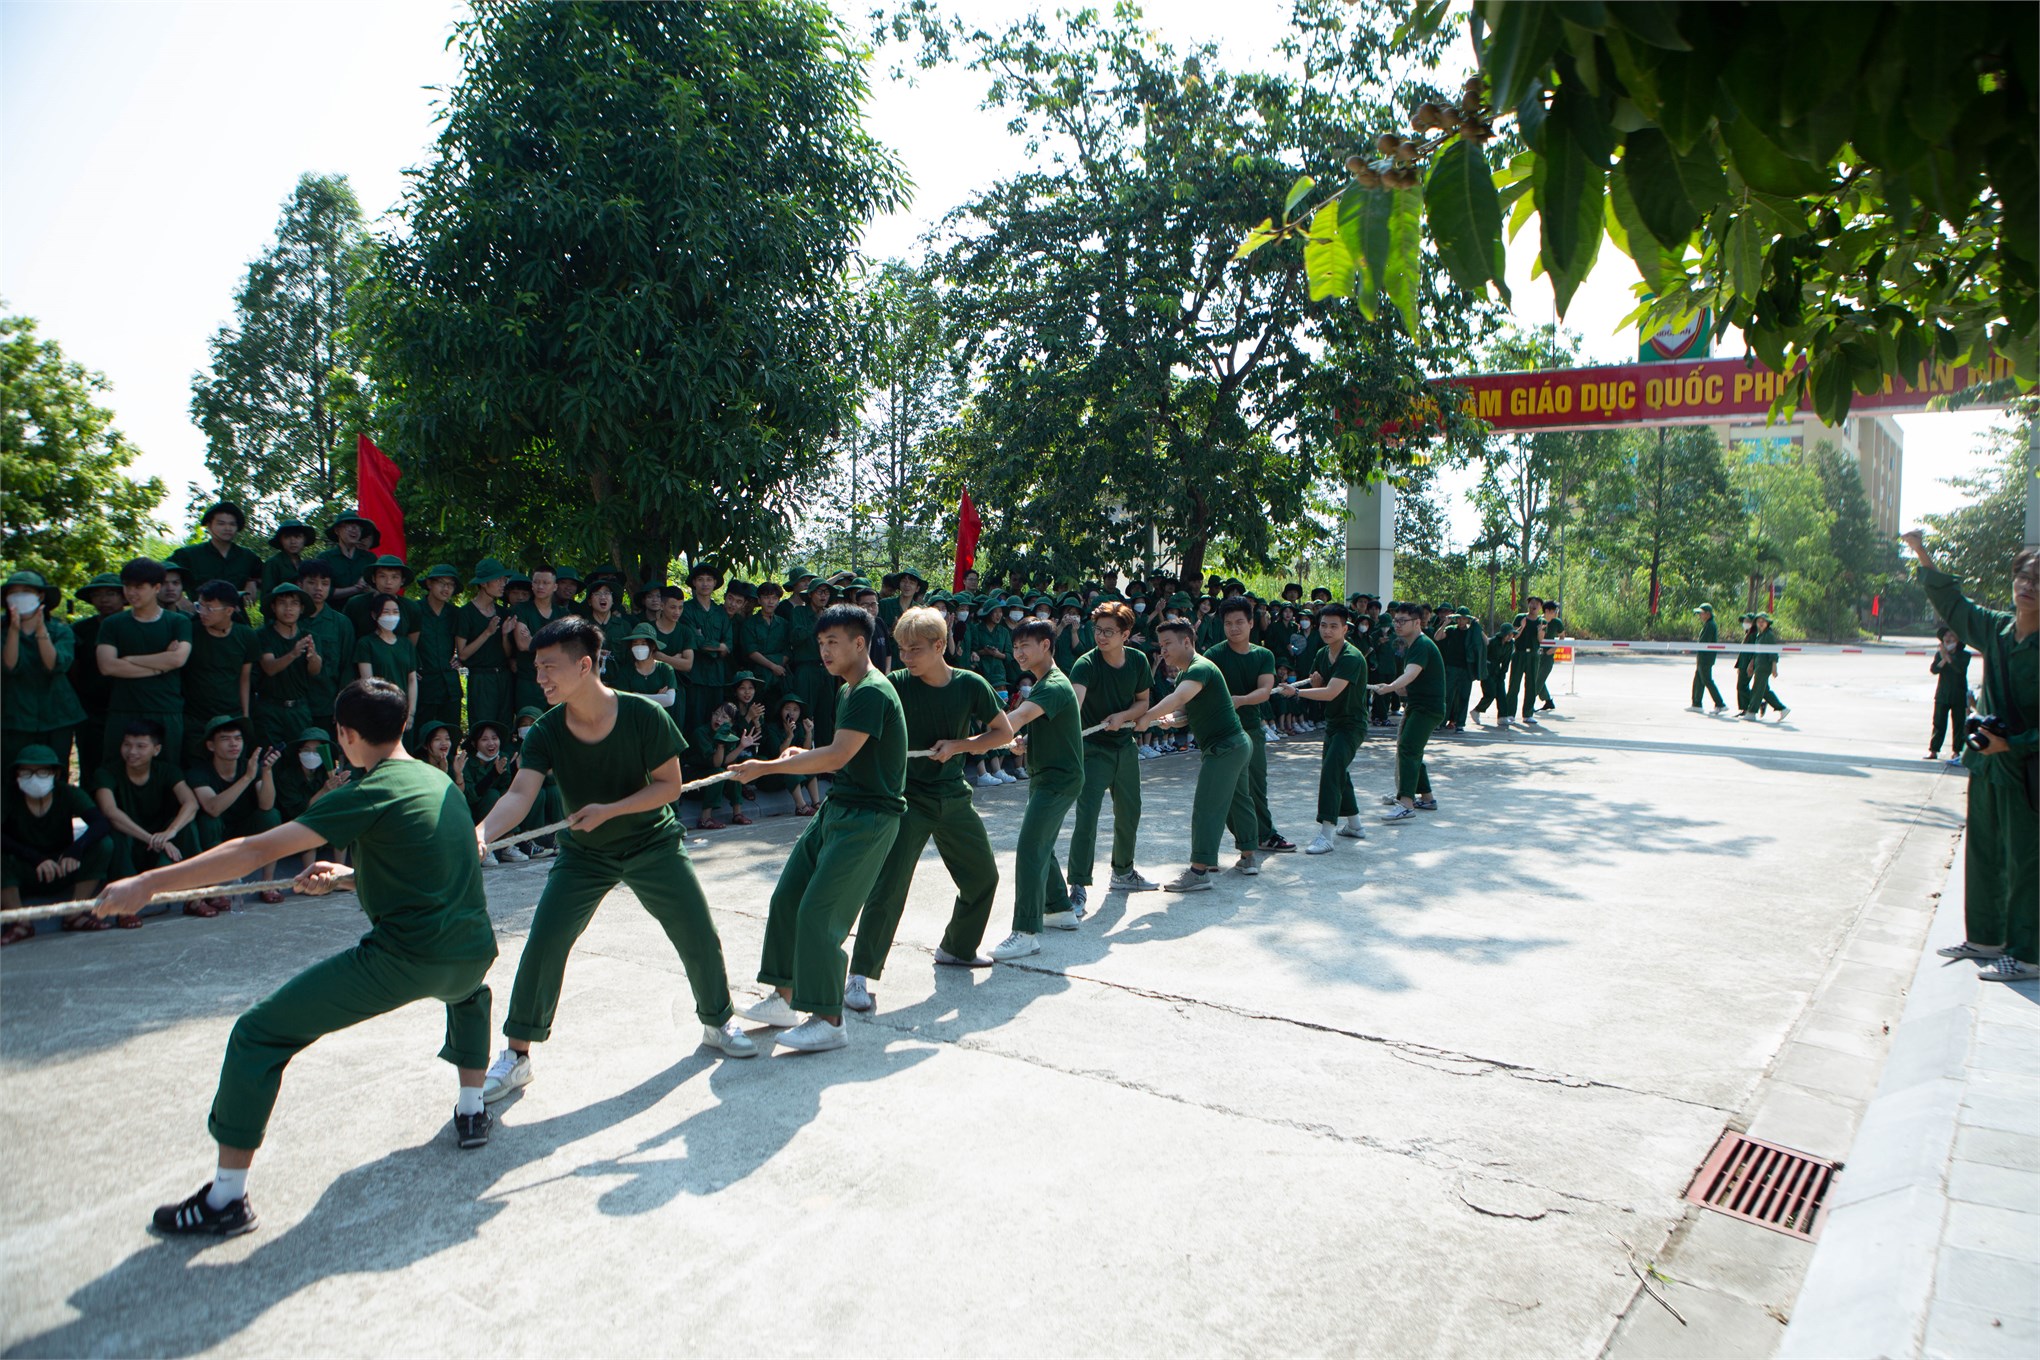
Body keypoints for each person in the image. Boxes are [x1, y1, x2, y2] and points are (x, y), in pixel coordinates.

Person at [92, 678, 501, 1237]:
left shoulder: (367, 790)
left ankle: (225, 1201)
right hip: (474, 952)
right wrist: (346, 877)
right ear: (404, 726)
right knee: (468, 994)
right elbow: (434, 868)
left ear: (345, 734)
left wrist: (149, 883)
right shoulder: (439, 783)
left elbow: (255, 849)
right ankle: (474, 1109)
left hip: (406, 958)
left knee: (259, 1034)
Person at [476, 616, 756, 1103]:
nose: (539, 677)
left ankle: (717, 1021)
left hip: (653, 843)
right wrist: (480, 833)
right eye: (536, 667)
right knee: (544, 944)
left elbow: (668, 787)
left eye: (548, 667)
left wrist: (612, 810)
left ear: (584, 665)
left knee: (696, 932)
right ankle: (517, 1055)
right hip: (585, 857)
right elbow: (520, 794)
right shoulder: (545, 731)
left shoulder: (644, 715)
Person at [722, 604, 905, 1052]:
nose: (824, 652)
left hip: (869, 817)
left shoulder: (870, 692)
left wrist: (767, 768)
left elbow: (837, 756)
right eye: (820, 644)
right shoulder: (848, 690)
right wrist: (797, 755)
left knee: (820, 914)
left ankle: (828, 1017)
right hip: (840, 806)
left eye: (833, 643)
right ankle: (785, 996)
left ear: (859, 644)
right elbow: (843, 749)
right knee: (788, 897)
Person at [840, 607, 1012, 1012]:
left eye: (914, 650)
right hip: (906, 801)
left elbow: (1002, 732)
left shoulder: (970, 684)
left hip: (953, 796)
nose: (906, 658)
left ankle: (957, 947)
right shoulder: (892, 685)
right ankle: (859, 975)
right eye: (901, 650)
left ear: (940, 646)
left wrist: (960, 746)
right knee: (889, 888)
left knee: (982, 877)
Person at [1906, 532, 2039, 984]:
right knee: (1983, 851)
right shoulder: (1997, 629)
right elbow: (1955, 605)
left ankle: (2028, 953)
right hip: (1988, 764)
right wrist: (1922, 553)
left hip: (2028, 769)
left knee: (2026, 860)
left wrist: (2016, 744)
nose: (2028, 586)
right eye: (2023, 576)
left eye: (2039, 580)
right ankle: (1986, 938)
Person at [1134, 620, 1257, 890]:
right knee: (1238, 802)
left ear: (1187, 642)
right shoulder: (1185, 674)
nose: (1163, 650)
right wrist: (1170, 720)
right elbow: (1185, 713)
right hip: (1235, 745)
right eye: (1161, 645)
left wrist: (1146, 716)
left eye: (1168, 644)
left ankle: (1199, 872)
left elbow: (1179, 698)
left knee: (1207, 806)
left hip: (1225, 747)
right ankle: (1249, 856)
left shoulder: (1199, 668)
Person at [1064, 601, 1157, 907]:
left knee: (1130, 812)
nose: (1100, 637)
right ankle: (1077, 884)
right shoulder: (1086, 664)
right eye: (1097, 630)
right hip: (1091, 750)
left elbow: (1143, 702)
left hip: (1125, 747)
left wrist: (1123, 715)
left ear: (1126, 634)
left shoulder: (1138, 661)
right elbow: (1073, 706)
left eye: (1108, 631)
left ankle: (1123, 871)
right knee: (1087, 817)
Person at [1276, 603, 1370, 853]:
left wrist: (1297, 690)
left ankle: (1326, 834)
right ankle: (1355, 825)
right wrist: (1313, 683)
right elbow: (1320, 682)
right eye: (1324, 626)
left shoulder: (1351, 657)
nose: (1328, 631)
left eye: (1334, 626)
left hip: (1352, 724)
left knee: (1331, 770)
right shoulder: (1321, 654)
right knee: (1338, 770)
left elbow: (1329, 692)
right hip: (1333, 722)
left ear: (1345, 629)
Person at [1205, 597, 1294, 857]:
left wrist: (1240, 700)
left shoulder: (1263, 655)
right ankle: (1245, 838)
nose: (1234, 628)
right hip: (1220, 732)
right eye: (1228, 623)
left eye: (1240, 622)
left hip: (1251, 729)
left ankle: (1265, 835)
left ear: (1251, 623)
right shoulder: (1213, 655)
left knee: (1256, 785)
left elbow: (1265, 690)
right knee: (1228, 790)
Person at [92, 719, 200, 925]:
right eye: (127, 745)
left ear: (156, 749)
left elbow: (191, 804)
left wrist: (171, 832)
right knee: (114, 833)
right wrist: (154, 839)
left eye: (141, 746)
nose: (132, 752)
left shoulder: (168, 771)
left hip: (160, 847)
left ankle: (194, 898)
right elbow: (110, 812)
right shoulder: (106, 773)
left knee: (189, 828)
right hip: (132, 843)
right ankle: (125, 907)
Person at [3, 744, 115, 939]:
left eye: (42, 771)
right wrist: (35, 858)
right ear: (17, 774)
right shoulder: (8, 796)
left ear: (55, 773)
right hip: (24, 867)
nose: (34, 777)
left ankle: (74, 913)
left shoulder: (68, 793)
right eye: (26, 772)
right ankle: (20, 921)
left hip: (63, 866)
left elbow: (101, 823)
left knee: (104, 845)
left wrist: (75, 850)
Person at [96, 558, 194, 764]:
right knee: (117, 774)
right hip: (123, 709)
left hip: (165, 709)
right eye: (127, 586)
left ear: (156, 587)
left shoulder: (178, 621)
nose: (131, 592)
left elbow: (177, 659)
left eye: (139, 587)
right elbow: (107, 666)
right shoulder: (113, 624)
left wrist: (129, 660)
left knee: (167, 775)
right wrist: (160, 666)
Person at [187, 713, 284, 905]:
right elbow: (213, 807)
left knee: (271, 816)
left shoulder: (248, 766)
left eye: (238, 739)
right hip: (216, 833)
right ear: (211, 746)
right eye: (225, 739)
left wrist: (266, 771)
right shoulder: (199, 771)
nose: (234, 744)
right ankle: (215, 890)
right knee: (208, 821)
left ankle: (267, 884)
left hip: (243, 830)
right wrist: (246, 778)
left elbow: (266, 805)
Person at [3, 571, 86, 777]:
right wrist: (14, 630)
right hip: (14, 716)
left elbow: (55, 665)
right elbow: (10, 666)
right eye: (14, 593)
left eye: (26, 592)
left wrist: (40, 629)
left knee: (55, 773)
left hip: (57, 715)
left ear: (40, 596)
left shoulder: (60, 631)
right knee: (12, 774)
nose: (20, 596)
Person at [1371, 604, 1447, 822]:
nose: (1397, 624)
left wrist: (1388, 687)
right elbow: (1409, 680)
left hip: (1427, 708)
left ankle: (1406, 803)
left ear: (1417, 622)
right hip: (1418, 705)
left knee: (1408, 749)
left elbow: (1410, 674)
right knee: (1413, 750)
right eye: (1396, 620)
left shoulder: (1421, 644)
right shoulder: (1412, 645)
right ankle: (1427, 798)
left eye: (1403, 620)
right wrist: (1398, 687)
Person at [182, 581, 259, 764]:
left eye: (209, 608)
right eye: (199, 606)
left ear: (229, 611)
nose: (202, 612)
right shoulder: (190, 631)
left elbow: (244, 678)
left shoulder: (246, 636)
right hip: (194, 717)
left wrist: (245, 715)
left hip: (230, 715)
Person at [68, 572, 126, 778]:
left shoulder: (135, 624)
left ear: (123, 596)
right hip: (90, 711)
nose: (104, 599)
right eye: (98, 595)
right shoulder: (80, 630)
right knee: (91, 766)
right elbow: (73, 669)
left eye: (111, 593)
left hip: (128, 707)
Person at [253, 583, 322, 750]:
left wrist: (312, 657)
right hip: (270, 709)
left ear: (301, 608)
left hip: (299, 708)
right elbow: (269, 667)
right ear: (273, 607)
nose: (288, 608)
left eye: (294, 603)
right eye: (282, 603)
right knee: (270, 759)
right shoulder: (263, 635)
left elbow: (315, 671)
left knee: (300, 758)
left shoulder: (309, 635)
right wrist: (293, 653)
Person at [292, 560, 356, 739]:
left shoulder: (341, 623)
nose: (318, 588)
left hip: (327, 707)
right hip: (295, 706)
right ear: (300, 584)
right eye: (311, 583)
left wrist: (342, 705)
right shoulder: (290, 619)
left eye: (325, 583)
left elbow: (347, 667)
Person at [168, 501, 264, 617]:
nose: (227, 528)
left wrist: (252, 581)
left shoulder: (248, 557)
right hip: (200, 619)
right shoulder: (189, 555)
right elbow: (159, 573)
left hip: (236, 619)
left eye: (232, 524)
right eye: (221, 523)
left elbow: (267, 578)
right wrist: (179, 600)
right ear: (209, 526)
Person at [457, 559, 520, 732]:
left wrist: (505, 634)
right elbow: (462, 654)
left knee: (504, 727)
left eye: (503, 580)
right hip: (481, 678)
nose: (502, 584)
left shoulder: (503, 612)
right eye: (498, 580)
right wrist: (487, 632)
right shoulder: (466, 613)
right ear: (484, 583)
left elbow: (508, 654)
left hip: (503, 676)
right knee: (482, 729)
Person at [353, 594, 420, 736]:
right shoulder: (366, 643)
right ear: (374, 615)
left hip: (404, 713)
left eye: (395, 612)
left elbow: (412, 679)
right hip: (379, 712)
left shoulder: (406, 644)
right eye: (386, 612)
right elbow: (368, 683)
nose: (391, 616)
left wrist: (411, 713)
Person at [681, 564, 733, 735]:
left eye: (709, 580)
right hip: (695, 676)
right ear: (694, 583)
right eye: (701, 580)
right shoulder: (686, 610)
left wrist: (713, 645)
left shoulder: (720, 612)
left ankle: (715, 757)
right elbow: (696, 642)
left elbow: (729, 645)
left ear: (715, 583)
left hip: (717, 676)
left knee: (717, 719)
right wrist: (718, 646)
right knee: (694, 720)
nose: (705, 584)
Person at [413, 565, 464, 735]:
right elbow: (405, 644)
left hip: (449, 684)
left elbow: (464, 643)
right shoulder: (415, 610)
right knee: (422, 734)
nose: (446, 588)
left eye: (450, 584)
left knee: (451, 732)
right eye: (441, 583)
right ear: (429, 584)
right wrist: (411, 666)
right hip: (424, 683)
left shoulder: (455, 613)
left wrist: (461, 658)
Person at [1928, 627, 1972, 764]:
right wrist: (1942, 658)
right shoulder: (1939, 655)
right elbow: (1934, 669)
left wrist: (1947, 656)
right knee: (1938, 722)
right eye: (1946, 638)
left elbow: (1959, 669)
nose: (1949, 639)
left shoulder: (1964, 655)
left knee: (1958, 724)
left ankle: (1956, 751)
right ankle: (1934, 750)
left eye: (1952, 637)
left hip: (1958, 694)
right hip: (1942, 694)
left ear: (1958, 640)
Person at [315, 510, 380, 603]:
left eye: (358, 527)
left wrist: (369, 587)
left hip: (365, 613)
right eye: (349, 525)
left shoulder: (370, 558)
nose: (354, 529)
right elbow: (323, 591)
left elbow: (381, 589)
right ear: (337, 530)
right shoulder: (325, 558)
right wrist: (355, 589)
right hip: (335, 614)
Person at [1502, 596, 1545, 727]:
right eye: (1532, 603)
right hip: (1519, 654)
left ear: (1540, 607)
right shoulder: (1520, 617)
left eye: (1537, 604)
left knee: (1531, 684)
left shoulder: (1541, 621)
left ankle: (1528, 714)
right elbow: (1514, 635)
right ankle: (1510, 713)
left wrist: (1540, 631)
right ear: (1528, 605)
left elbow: (1541, 640)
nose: (1534, 606)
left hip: (1533, 654)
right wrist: (1522, 626)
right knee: (1514, 683)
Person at [1742, 613, 1789, 721]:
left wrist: (1774, 667)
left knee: (1757, 688)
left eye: (1763, 621)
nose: (1761, 623)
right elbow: (1756, 652)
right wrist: (1751, 664)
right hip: (1758, 664)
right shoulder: (1760, 635)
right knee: (1764, 690)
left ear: (1767, 623)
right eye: (1759, 621)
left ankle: (1752, 712)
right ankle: (1782, 708)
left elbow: (1773, 653)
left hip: (1765, 666)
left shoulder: (1769, 635)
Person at [258, 520, 316, 597]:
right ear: (281, 541)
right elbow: (267, 594)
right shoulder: (273, 563)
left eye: (297, 537)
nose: (293, 541)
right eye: (287, 537)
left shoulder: (305, 565)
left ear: (304, 540)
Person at [1688, 603, 1728, 712]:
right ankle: (1696, 704)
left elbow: (1703, 642)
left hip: (1706, 658)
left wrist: (1691, 648)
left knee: (1707, 680)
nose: (1700, 616)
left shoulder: (1710, 625)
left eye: (1701, 613)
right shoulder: (1708, 624)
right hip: (1703, 657)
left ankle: (1720, 704)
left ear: (1708, 614)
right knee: (1699, 680)